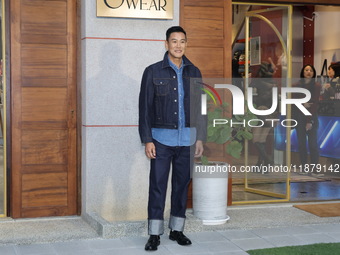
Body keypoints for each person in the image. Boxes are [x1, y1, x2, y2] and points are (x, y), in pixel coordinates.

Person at [138, 26, 205, 251]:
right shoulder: (153, 71)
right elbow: (145, 108)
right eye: (174, 41)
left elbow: (199, 108)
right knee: (157, 186)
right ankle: (154, 234)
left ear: (186, 44)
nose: (178, 45)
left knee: (181, 186)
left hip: (187, 139)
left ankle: (177, 230)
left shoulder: (194, 72)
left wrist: (200, 138)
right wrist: (147, 139)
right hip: (161, 140)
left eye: (182, 41)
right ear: (166, 44)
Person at [293, 64, 322, 176]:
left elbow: (314, 104)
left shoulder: (316, 86)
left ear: (313, 73)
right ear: (303, 72)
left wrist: (309, 121)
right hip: (299, 118)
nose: (308, 72)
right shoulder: (296, 86)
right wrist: (302, 103)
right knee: (301, 144)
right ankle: (304, 168)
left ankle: (315, 169)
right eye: (306, 70)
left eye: (310, 70)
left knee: (313, 144)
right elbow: (293, 101)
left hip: (311, 117)